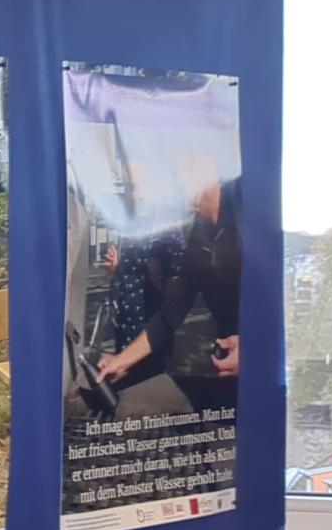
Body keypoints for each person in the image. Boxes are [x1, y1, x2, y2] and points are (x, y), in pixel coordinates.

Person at [98, 167, 240, 410]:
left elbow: (284, 291)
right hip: (227, 370)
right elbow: (171, 311)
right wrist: (121, 361)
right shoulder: (199, 234)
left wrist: (255, 345)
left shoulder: (250, 209)